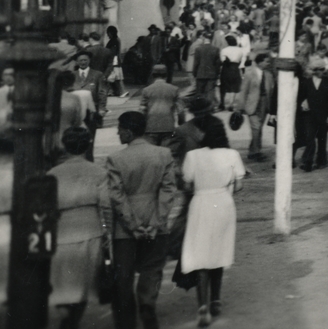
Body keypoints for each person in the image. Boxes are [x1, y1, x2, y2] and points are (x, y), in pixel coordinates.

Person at [105, 111, 179, 329]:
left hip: (125, 228)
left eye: (119, 129)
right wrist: (157, 221)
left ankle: (126, 320)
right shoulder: (163, 154)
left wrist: (133, 225)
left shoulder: (116, 159)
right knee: (152, 268)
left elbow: (117, 196)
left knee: (124, 275)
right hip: (156, 221)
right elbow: (168, 191)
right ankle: (147, 306)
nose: (118, 133)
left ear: (128, 131)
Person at [180, 120, 246, 326]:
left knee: (201, 254)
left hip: (201, 204)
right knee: (219, 250)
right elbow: (239, 186)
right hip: (223, 204)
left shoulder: (193, 156)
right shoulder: (232, 155)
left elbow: (186, 183)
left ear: (204, 135)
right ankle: (216, 299)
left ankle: (202, 306)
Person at [48, 125, 111, 329]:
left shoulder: (52, 174)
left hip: (61, 233)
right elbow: (106, 206)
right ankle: (71, 321)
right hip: (90, 232)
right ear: (87, 145)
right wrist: (107, 231)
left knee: (64, 283)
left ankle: (67, 318)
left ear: (64, 146)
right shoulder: (99, 172)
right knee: (83, 285)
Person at [296, 58, 328, 171]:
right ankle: (307, 162)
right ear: (314, 70)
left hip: (324, 116)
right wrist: (302, 104)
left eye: (323, 69)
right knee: (310, 138)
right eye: (319, 70)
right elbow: (300, 98)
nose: (322, 72)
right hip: (309, 116)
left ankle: (321, 160)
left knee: (322, 139)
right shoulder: (306, 82)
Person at [239, 53, 274, 162]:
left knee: (259, 128)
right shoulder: (249, 74)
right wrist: (240, 107)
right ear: (259, 62)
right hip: (252, 104)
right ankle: (256, 152)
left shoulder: (269, 75)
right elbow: (243, 91)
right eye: (266, 61)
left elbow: (271, 90)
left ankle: (253, 150)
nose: (268, 64)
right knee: (256, 127)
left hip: (264, 104)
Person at [138, 64, 181, 148]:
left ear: (152, 75)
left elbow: (142, 110)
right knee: (167, 153)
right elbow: (180, 110)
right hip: (168, 126)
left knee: (152, 154)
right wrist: (181, 123)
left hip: (151, 127)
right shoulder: (174, 89)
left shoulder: (146, 90)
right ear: (166, 75)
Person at [190, 35, 222, 106]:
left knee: (199, 91)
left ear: (204, 40)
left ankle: (199, 106)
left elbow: (196, 63)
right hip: (212, 73)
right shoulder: (216, 49)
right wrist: (217, 73)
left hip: (200, 73)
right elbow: (218, 63)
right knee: (210, 91)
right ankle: (209, 106)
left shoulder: (198, 49)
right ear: (210, 40)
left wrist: (194, 73)